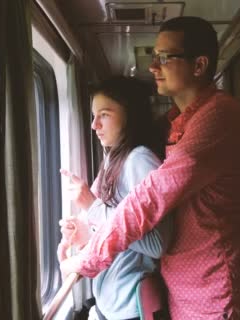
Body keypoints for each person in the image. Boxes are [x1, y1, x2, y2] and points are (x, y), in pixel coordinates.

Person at [60, 17, 240, 320]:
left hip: (218, 295)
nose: (152, 67)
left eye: (164, 58)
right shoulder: (175, 123)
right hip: (184, 292)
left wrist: (87, 260)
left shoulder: (218, 118)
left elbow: (149, 196)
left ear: (198, 66)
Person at [57, 76, 172, 320]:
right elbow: (113, 232)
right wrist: (84, 233)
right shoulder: (112, 160)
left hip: (131, 307)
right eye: (93, 115)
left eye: (104, 115)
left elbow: (157, 245)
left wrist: (93, 206)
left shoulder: (139, 160)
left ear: (129, 116)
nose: (94, 125)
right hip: (110, 304)